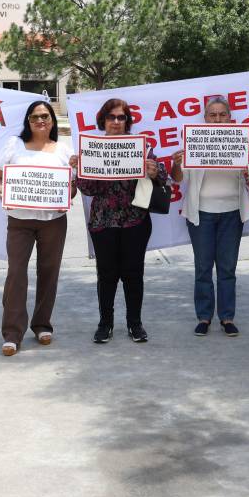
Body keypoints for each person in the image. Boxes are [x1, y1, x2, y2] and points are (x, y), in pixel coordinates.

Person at [71, 98, 168, 344]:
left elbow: (163, 177)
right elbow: (88, 189)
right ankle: (105, 324)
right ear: (103, 120)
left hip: (135, 221)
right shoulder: (92, 149)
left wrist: (155, 171)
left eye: (121, 117)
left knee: (133, 274)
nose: (116, 122)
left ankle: (135, 324)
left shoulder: (141, 147)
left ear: (127, 121)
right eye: (111, 117)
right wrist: (82, 169)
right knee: (106, 275)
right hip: (103, 222)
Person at [0, 100, 73, 357]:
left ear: (52, 121)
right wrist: (2, 191)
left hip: (53, 220)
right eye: (35, 117)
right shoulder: (14, 145)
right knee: (16, 273)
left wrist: (68, 195)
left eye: (45, 116)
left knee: (49, 272)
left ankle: (42, 325)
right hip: (20, 220)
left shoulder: (64, 150)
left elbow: (71, 186)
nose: (40, 120)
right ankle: (12, 333)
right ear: (28, 121)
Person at [170, 96, 249, 337]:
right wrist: (176, 163)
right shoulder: (194, 142)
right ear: (205, 118)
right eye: (212, 115)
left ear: (230, 118)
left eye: (222, 114)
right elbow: (178, 178)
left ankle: (227, 318)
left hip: (232, 213)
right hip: (201, 214)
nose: (217, 119)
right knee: (203, 268)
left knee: (227, 268)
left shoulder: (241, 141)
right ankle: (204, 317)